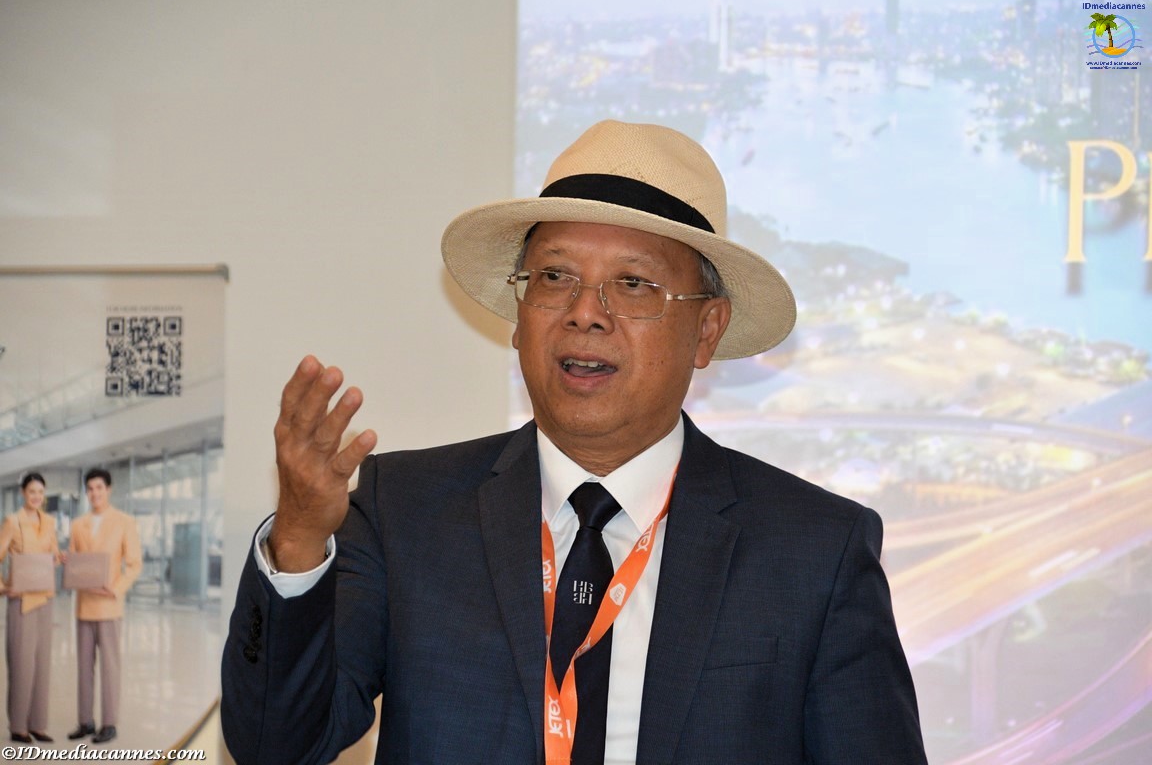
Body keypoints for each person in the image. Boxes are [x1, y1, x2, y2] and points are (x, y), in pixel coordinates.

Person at [221, 120, 928, 764]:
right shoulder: (405, 510)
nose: (586, 313)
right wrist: (299, 541)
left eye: (634, 284)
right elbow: (275, 746)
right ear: (520, 310)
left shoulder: (814, 551)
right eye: (555, 277)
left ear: (707, 330)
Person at [66, 468, 142, 745]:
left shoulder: (124, 522)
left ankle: (109, 723)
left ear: (108, 489)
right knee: (84, 666)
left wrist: (117, 588)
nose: (95, 493)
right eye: (90, 488)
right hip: (84, 604)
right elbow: (75, 560)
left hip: (109, 605)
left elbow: (134, 563)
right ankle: (85, 721)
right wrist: (67, 561)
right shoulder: (78, 525)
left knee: (110, 667)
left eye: (99, 487)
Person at [0, 472, 60, 744]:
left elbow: (53, 555)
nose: (36, 496)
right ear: (23, 493)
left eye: (40, 492)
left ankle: (38, 724)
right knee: (22, 664)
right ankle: (18, 726)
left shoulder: (49, 522)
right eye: (32, 491)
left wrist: (59, 558)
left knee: (41, 664)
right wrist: (4, 587)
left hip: (45, 598)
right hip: (22, 601)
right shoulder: (12, 522)